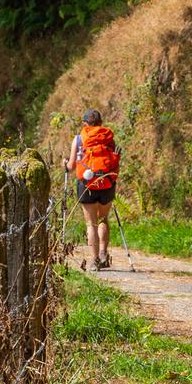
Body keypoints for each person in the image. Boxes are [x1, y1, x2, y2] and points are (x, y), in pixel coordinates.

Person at [65, 109, 119, 269]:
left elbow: (71, 166)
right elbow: (115, 162)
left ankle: (94, 261)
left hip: (86, 184)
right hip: (107, 182)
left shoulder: (79, 139)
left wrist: (65, 164)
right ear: (101, 123)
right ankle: (103, 253)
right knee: (103, 218)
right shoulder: (109, 138)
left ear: (85, 124)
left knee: (91, 224)